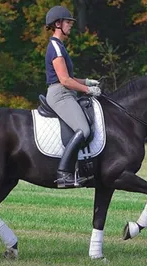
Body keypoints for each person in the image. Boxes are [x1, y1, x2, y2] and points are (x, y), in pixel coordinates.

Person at [45, 5, 101, 188]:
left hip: (66, 92)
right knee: (83, 130)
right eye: (68, 22)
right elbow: (64, 80)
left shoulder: (60, 46)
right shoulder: (55, 46)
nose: (70, 25)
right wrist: (87, 91)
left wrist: (87, 82)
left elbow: (70, 78)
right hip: (60, 94)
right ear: (58, 24)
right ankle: (63, 174)